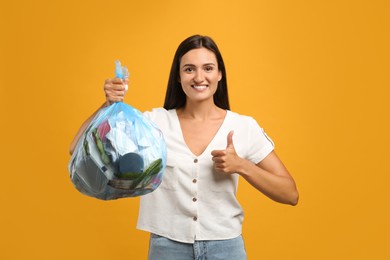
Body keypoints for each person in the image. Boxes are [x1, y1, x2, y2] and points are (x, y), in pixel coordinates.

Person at [69, 35, 299, 260]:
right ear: (178, 77)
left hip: (226, 248)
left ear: (220, 74)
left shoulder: (243, 126)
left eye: (208, 68)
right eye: (189, 69)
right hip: (167, 247)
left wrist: (242, 166)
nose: (199, 77)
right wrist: (107, 105)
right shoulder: (154, 124)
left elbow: (290, 193)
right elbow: (77, 148)